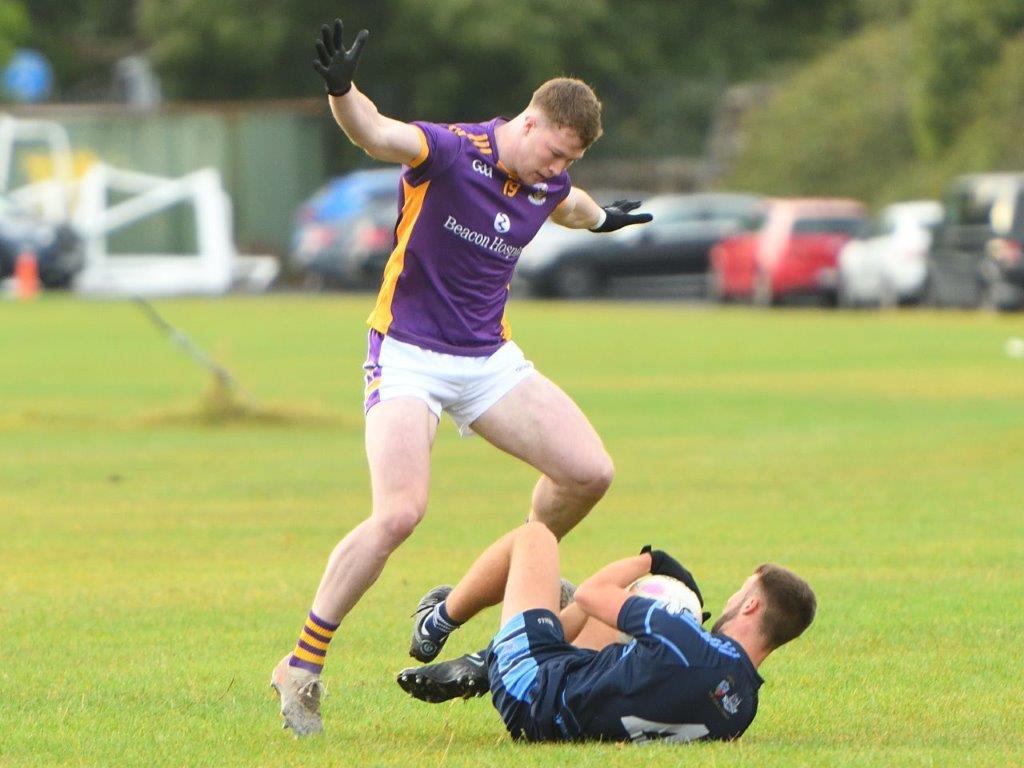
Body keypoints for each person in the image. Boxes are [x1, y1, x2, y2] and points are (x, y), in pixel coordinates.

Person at [271, 19, 654, 736]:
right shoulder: (450, 151)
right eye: (554, 152)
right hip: (408, 353)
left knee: (589, 472)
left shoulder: (551, 181)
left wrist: (603, 221)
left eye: (569, 160)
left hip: (486, 361)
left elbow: (569, 204)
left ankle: (518, 574)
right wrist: (341, 88)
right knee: (399, 514)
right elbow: (376, 135)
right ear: (530, 120)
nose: (554, 169)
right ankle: (301, 667)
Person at [397, 523, 817, 744]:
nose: (730, 600)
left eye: (739, 593)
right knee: (613, 625)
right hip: (568, 712)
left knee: (535, 538)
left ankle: (438, 623)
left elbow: (596, 591)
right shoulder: (744, 705)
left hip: (532, 689)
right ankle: (491, 655)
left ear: (751, 605)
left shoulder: (684, 638)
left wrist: (655, 561)